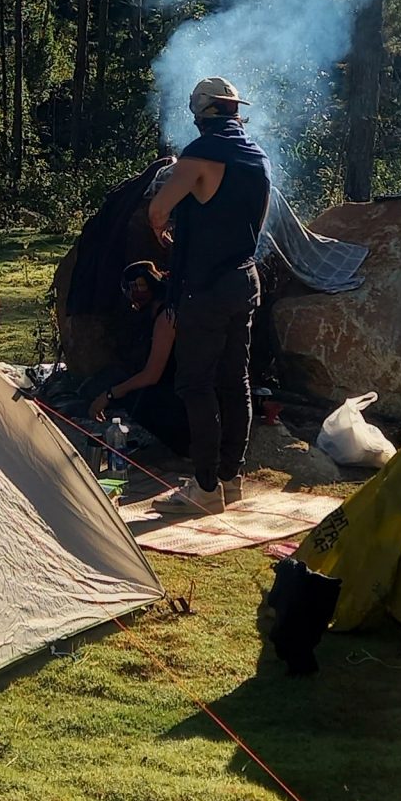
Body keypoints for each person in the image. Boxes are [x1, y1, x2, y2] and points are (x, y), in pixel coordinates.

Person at [147, 75, 271, 512]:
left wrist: (162, 232)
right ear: (236, 111)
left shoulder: (199, 155)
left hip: (205, 288)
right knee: (235, 382)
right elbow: (255, 223)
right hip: (245, 281)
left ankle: (203, 489)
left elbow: (160, 208)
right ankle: (230, 479)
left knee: (196, 384)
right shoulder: (258, 158)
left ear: (202, 112)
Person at [87, 262, 188, 449]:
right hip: (180, 390)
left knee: (132, 394)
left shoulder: (167, 317)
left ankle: (183, 446)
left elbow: (152, 375)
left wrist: (109, 395)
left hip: (186, 399)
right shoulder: (161, 312)